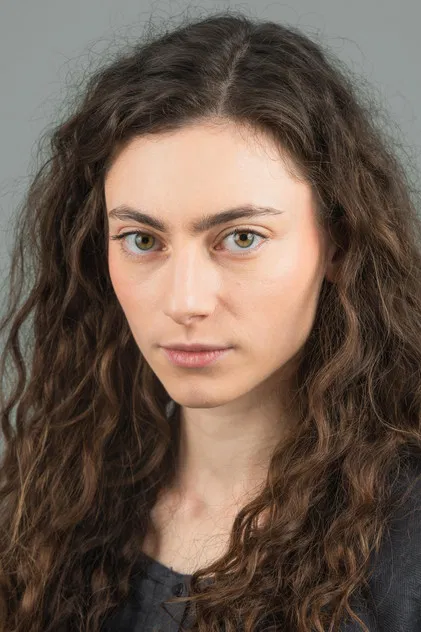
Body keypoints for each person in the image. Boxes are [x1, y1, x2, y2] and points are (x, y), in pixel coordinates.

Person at [1, 8, 421, 632]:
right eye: (143, 240)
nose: (185, 301)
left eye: (241, 237)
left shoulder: (407, 546)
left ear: (337, 243)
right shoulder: (47, 512)